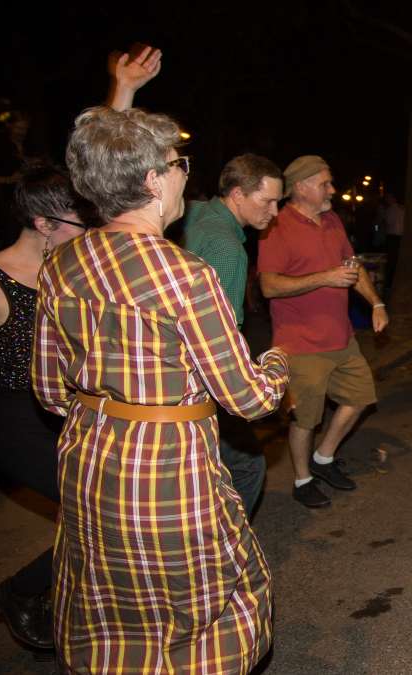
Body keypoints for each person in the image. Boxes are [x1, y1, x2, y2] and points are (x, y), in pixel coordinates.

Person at [37, 106, 289, 672]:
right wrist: (275, 362)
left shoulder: (60, 261)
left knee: (114, 616)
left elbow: (50, 390)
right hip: (168, 471)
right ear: (153, 180)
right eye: (180, 163)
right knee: (199, 620)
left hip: (89, 461)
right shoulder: (183, 274)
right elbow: (249, 398)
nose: (185, 174)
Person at [0, 163, 87, 652]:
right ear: (43, 224)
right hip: (21, 422)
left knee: (101, 515)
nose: (86, 232)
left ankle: (54, 595)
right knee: (92, 515)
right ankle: (20, 590)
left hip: (68, 414)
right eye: (76, 222)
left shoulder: (67, 268)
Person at [259, 155, 388, 508]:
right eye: (324, 184)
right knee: (305, 419)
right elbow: (269, 285)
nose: (332, 189)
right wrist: (324, 278)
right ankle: (302, 481)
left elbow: (352, 266)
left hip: (342, 337)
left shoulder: (331, 220)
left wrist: (376, 303)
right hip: (300, 345)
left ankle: (324, 458)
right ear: (301, 187)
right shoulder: (278, 226)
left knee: (360, 397)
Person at [182, 153, 283, 515]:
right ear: (238, 194)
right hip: (196, 380)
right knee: (248, 465)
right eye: (267, 201)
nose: (274, 211)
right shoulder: (229, 248)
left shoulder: (190, 213)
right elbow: (221, 332)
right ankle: (224, 545)